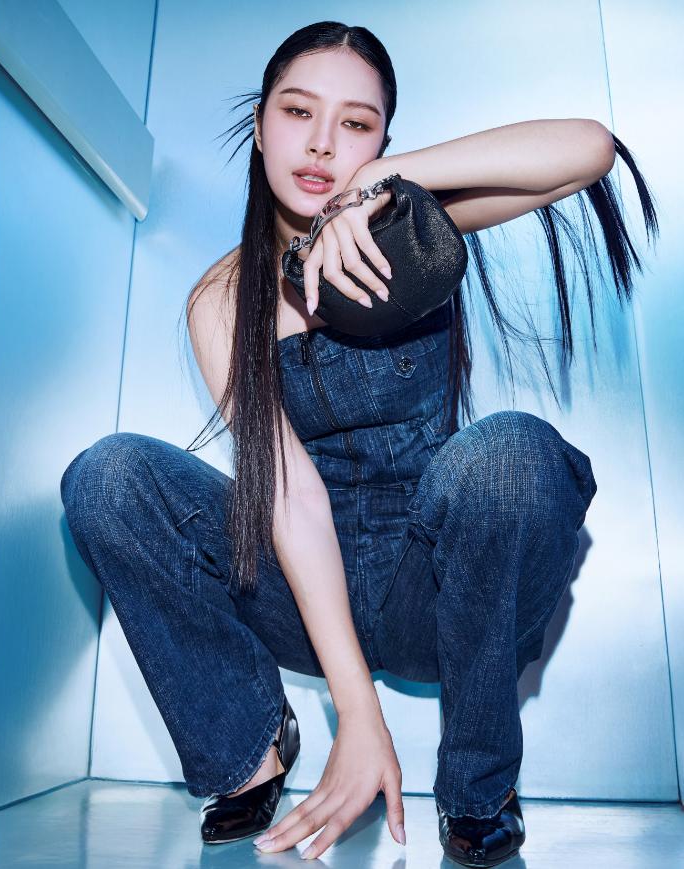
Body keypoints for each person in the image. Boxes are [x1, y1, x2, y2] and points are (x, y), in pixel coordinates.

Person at [60, 20, 658, 868]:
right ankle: (247, 750)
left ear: (382, 140)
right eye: (296, 111)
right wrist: (356, 708)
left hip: (437, 587)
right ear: (259, 126)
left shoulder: (415, 230)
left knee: (512, 452)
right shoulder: (220, 299)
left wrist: (382, 183)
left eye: (355, 124)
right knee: (109, 474)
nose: (320, 143)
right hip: (302, 595)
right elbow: (286, 492)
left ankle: (479, 786)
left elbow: (588, 149)